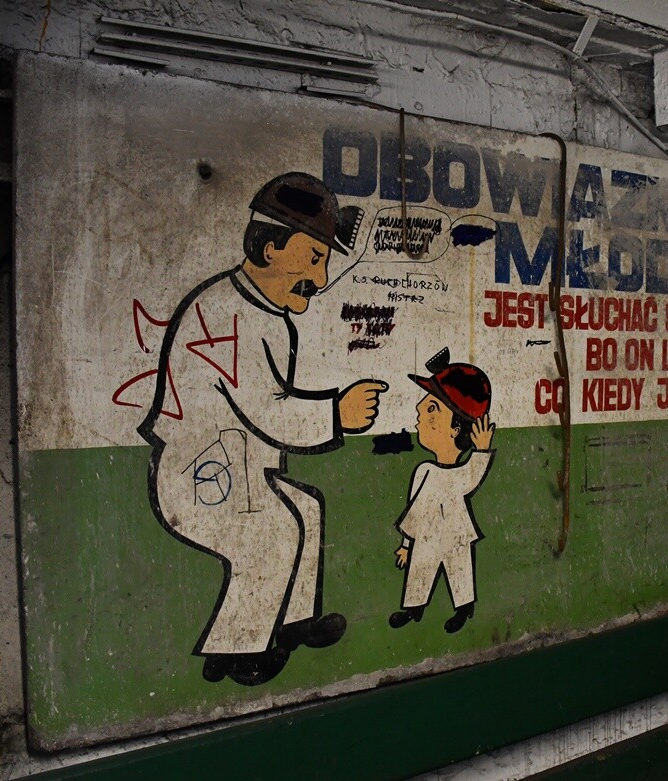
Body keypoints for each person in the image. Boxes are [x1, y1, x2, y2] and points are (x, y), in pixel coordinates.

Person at [139, 172, 387, 685]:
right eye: (313, 259)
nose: (320, 279)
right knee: (272, 534)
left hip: (240, 476)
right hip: (198, 480)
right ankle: (237, 650)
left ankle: (294, 622)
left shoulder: (264, 312)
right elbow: (268, 412)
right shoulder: (228, 313)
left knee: (306, 509)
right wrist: (336, 414)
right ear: (271, 248)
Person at [390, 349, 495, 634]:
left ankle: (464, 608)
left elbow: (472, 477)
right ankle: (413, 608)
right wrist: (406, 545)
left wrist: (482, 450)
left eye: (432, 408)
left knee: (460, 570)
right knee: (419, 571)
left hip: (456, 533)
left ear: (455, 429)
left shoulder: (459, 475)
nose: (420, 410)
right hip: (425, 534)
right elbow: (413, 509)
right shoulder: (424, 470)